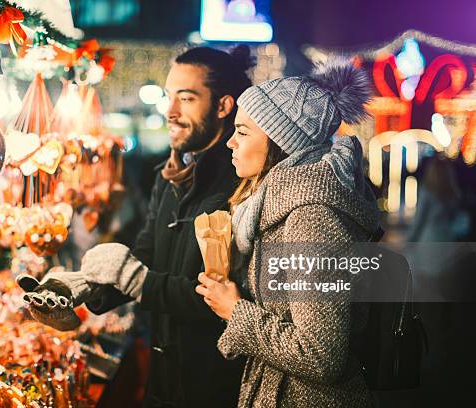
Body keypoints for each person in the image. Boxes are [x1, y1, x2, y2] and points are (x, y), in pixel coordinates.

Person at [21, 46, 255, 408]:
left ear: (224, 106)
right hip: (162, 377)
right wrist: (87, 286)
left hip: (211, 385)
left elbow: (225, 298)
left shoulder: (241, 184)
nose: (170, 111)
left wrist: (139, 282)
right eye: (168, 96)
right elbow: (146, 253)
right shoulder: (169, 175)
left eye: (187, 98)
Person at [195, 58, 380, 407]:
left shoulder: (312, 218)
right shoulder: (269, 207)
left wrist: (235, 311)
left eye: (243, 132)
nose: (230, 143)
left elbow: (322, 355)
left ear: (281, 143)